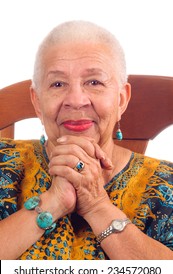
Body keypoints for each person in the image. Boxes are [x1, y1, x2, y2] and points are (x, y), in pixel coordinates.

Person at [0, 20, 173, 260]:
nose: (76, 99)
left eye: (94, 82)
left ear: (121, 100)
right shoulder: (3, 162)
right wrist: (52, 202)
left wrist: (97, 205)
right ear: (37, 102)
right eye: (58, 84)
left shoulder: (166, 184)